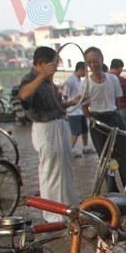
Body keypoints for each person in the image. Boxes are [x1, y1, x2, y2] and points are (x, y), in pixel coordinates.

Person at [18, 46, 79, 222]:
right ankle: (53, 213)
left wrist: (71, 103)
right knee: (50, 170)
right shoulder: (31, 79)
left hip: (59, 125)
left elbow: (56, 106)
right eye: (53, 63)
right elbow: (24, 95)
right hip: (45, 128)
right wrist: (42, 75)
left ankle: (68, 207)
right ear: (42, 63)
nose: (56, 67)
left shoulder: (49, 83)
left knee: (64, 169)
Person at [82, 46, 126, 193]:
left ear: (101, 59)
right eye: (89, 62)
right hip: (97, 122)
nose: (93, 64)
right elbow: (84, 106)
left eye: (95, 61)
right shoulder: (85, 83)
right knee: (105, 159)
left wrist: (115, 116)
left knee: (124, 154)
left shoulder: (113, 79)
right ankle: (113, 191)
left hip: (113, 118)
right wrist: (91, 119)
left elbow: (118, 101)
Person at [62, 61, 93, 157]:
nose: (86, 73)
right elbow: (65, 95)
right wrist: (67, 108)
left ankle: (85, 147)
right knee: (76, 131)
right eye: (85, 71)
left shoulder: (80, 81)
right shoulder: (70, 80)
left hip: (80, 110)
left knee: (84, 129)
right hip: (73, 111)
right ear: (80, 70)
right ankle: (70, 150)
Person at [109, 59, 126, 131]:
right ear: (120, 68)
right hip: (123, 108)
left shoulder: (105, 79)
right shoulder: (122, 79)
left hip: (110, 109)